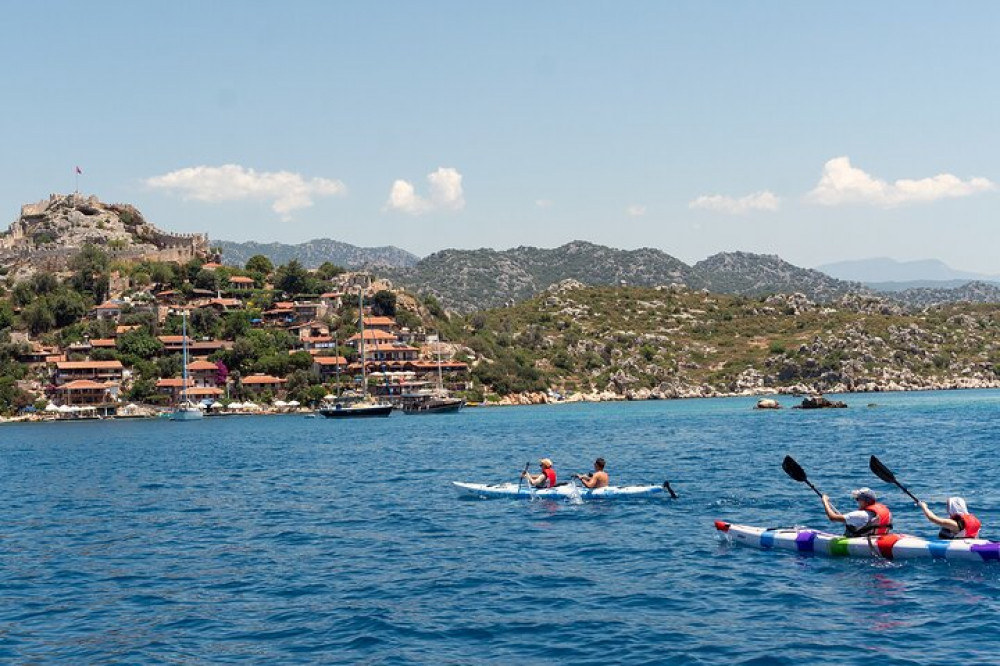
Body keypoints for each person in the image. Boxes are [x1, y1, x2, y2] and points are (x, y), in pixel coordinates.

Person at [821, 487, 892, 537]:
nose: (857, 501)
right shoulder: (881, 512)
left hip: (863, 540)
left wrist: (825, 501)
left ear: (865, 502)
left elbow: (832, 517)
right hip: (879, 537)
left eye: (858, 499)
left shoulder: (861, 515)